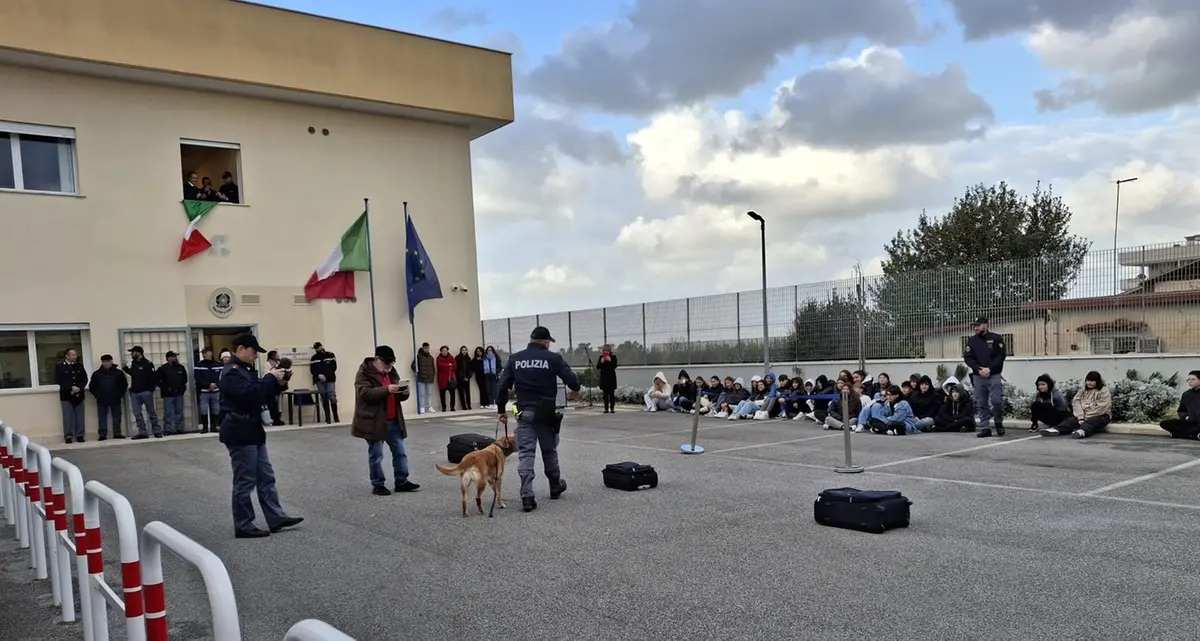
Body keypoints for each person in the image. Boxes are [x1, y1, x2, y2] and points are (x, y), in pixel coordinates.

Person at [218, 333, 303, 539]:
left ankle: (276, 517)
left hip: (252, 428)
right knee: (245, 481)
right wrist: (270, 378)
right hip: (239, 429)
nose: (256, 356)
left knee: (266, 476)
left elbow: (262, 392)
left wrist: (279, 382)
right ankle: (244, 524)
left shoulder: (245, 370)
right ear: (240, 349)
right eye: (253, 351)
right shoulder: (231, 372)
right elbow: (250, 394)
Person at [494, 326, 581, 513]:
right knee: (549, 451)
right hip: (547, 413)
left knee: (526, 454)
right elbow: (571, 379)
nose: (549, 344)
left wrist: (501, 410)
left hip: (525, 413)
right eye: (549, 341)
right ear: (545, 341)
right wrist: (575, 388)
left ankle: (527, 496)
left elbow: (502, 386)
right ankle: (555, 485)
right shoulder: (553, 358)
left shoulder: (515, 359)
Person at [352, 345, 420, 496]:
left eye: (392, 363)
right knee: (376, 455)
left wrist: (404, 393)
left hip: (393, 419)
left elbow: (397, 395)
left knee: (400, 452)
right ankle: (378, 484)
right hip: (374, 421)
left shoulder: (392, 372)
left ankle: (402, 481)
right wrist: (386, 389)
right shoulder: (364, 373)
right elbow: (364, 394)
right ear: (376, 360)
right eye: (387, 363)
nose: (389, 366)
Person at [964, 316, 1007, 438]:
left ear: (986, 325)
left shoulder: (996, 338)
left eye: (978, 325)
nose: (976, 328)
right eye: (975, 326)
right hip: (979, 375)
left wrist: (990, 369)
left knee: (996, 401)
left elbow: (1001, 356)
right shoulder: (972, 341)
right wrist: (978, 368)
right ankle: (985, 428)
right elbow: (968, 357)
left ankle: (998, 422)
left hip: (993, 374)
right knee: (981, 403)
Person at [1040, 371, 1112, 439]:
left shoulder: (1104, 391)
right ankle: (1056, 430)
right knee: (1070, 421)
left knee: (1091, 422)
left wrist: (1086, 417)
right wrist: (1080, 416)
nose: (1089, 383)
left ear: (1097, 381)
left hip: (1100, 415)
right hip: (1082, 415)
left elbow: (1102, 407)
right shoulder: (1083, 391)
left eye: (1092, 381)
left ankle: (1082, 431)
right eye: (1088, 381)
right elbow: (1076, 402)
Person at [89, 354, 128, 440]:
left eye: (108, 361)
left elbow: (123, 385)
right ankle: (102, 434)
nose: (106, 363)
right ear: (102, 362)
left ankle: (117, 433)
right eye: (104, 362)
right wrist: (98, 395)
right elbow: (92, 386)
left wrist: (119, 395)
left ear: (111, 361)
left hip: (115, 398)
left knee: (117, 416)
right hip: (102, 399)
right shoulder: (97, 374)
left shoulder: (118, 373)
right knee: (102, 416)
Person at [55, 348, 88, 443]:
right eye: (72, 355)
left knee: (80, 417)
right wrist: (71, 387)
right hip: (66, 395)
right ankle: (68, 436)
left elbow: (84, 379)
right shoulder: (60, 366)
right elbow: (59, 379)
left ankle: (80, 435)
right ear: (67, 356)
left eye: (75, 354)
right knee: (67, 417)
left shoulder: (79, 366)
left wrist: (79, 387)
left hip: (79, 394)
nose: (75, 356)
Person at [1160, 370, 1200, 439]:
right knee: (1165, 423)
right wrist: (1186, 417)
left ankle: (1180, 434)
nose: (1190, 382)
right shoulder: (1186, 394)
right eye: (1188, 380)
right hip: (1190, 422)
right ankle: (1194, 434)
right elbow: (1181, 410)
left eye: (1193, 379)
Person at [157, 351, 189, 435]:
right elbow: (158, 380)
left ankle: (180, 428)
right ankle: (167, 429)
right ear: (168, 358)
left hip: (178, 393)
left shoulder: (180, 367)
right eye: (173, 356)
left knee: (179, 411)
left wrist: (182, 389)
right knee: (168, 412)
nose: (175, 358)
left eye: (175, 356)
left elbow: (185, 380)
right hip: (168, 395)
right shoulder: (162, 368)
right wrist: (165, 389)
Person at [194, 348, 223, 434]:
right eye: (203, 353)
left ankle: (214, 426)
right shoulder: (199, 365)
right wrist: (208, 385)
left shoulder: (218, 365)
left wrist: (215, 384)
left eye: (206, 353)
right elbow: (198, 378)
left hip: (216, 391)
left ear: (211, 353)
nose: (205, 355)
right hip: (204, 391)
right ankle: (205, 427)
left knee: (216, 408)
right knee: (203, 409)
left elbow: (221, 376)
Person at [309, 342, 339, 424]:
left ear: (321, 347)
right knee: (324, 397)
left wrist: (326, 375)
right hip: (319, 380)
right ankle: (327, 418)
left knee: (332, 396)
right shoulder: (314, 358)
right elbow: (312, 370)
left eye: (318, 347)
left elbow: (333, 367)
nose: (317, 349)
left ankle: (336, 417)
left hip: (330, 379)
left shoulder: (330, 355)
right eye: (315, 348)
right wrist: (318, 375)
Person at [413, 342, 436, 413]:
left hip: (429, 377)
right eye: (425, 348)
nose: (427, 349)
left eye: (428, 348)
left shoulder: (431, 357)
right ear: (423, 348)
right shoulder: (418, 356)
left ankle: (429, 407)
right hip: (421, 378)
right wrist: (417, 372)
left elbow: (433, 367)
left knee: (429, 393)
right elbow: (413, 365)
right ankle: (422, 407)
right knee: (422, 394)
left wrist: (433, 375)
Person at [596, 345, 619, 413]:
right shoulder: (601, 357)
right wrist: (601, 362)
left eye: (607, 350)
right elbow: (598, 367)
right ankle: (606, 408)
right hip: (604, 377)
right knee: (605, 394)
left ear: (610, 351)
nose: (606, 352)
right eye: (605, 351)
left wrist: (610, 360)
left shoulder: (613, 357)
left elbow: (615, 366)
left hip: (611, 377)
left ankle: (612, 408)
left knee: (612, 394)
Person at [436, 346, 457, 411]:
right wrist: (448, 365)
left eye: (445, 351)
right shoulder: (438, 358)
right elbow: (440, 365)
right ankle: (444, 407)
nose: (444, 352)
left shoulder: (451, 357)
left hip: (450, 379)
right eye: (443, 351)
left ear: (447, 351)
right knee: (442, 394)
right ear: (441, 351)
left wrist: (447, 366)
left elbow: (454, 366)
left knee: (452, 394)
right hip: (442, 379)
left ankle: (452, 407)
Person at [454, 346, 473, 410]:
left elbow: (470, 369)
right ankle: (464, 406)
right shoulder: (457, 358)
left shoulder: (468, 358)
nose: (464, 351)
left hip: (467, 378)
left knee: (468, 393)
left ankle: (469, 405)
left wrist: (468, 377)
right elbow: (457, 369)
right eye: (463, 350)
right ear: (460, 351)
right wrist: (461, 377)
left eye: (465, 350)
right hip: (460, 379)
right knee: (461, 393)